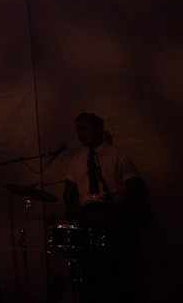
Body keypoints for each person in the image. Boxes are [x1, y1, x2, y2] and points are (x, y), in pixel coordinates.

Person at [63, 112, 149, 303]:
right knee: (88, 272)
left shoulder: (118, 156)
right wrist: (72, 210)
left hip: (113, 216)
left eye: (84, 129)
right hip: (87, 217)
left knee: (115, 273)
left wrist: (113, 213)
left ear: (99, 130)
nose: (80, 134)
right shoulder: (77, 160)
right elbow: (69, 190)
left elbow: (134, 189)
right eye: (77, 130)